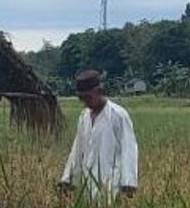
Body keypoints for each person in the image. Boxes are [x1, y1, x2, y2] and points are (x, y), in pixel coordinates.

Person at [59, 70, 138, 200]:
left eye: (88, 97)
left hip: (112, 186)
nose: (85, 102)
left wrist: (128, 184)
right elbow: (77, 150)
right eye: (81, 98)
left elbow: (129, 149)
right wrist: (68, 179)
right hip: (87, 188)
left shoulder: (118, 115)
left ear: (99, 91)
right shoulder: (84, 117)